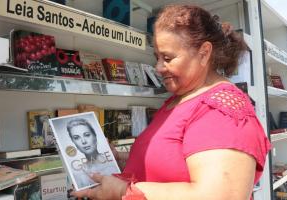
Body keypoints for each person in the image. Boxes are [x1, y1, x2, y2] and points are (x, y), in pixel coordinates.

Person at [73, 4, 271, 200]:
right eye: (157, 57)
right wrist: (120, 160)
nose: (158, 67)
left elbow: (222, 195)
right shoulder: (178, 100)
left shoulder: (222, 110)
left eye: (167, 58)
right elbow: (170, 162)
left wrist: (121, 191)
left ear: (204, 53)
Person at [67, 118, 120, 189]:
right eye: (77, 138)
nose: (83, 141)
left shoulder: (112, 164)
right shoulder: (78, 172)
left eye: (87, 135)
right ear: (73, 141)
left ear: (95, 135)